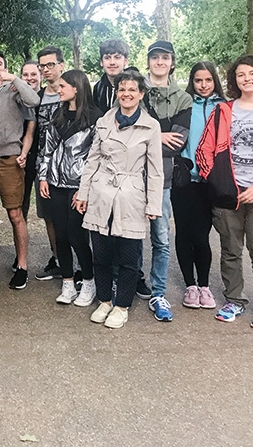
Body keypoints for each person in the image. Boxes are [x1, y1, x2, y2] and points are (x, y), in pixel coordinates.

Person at [196, 54, 253, 330]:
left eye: (251, 74)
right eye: (240, 75)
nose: (246, 79)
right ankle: (233, 300)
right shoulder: (223, 112)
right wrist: (219, 183)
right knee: (231, 251)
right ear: (234, 80)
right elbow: (204, 151)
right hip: (227, 195)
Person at [76, 70, 163, 329]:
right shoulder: (104, 121)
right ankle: (104, 300)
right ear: (117, 93)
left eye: (132, 90)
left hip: (131, 194)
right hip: (102, 192)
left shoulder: (151, 126)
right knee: (100, 253)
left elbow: (155, 170)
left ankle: (122, 305)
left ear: (141, 94)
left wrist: (153, 204)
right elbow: (92, 160)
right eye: (122, 89)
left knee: (128, 256)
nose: (126, 94)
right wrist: (84, 193)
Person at [38, 70, 100, 306]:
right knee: (61, 236)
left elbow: (96, 157)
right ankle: (67, 281)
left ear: (77, 87)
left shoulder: (95, 118)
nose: (59, 89)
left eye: (63, 86)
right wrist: (44, 177)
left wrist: (85, 189)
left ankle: (88, 281)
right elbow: (47, 149)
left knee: (77, 236)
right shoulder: (58, 114)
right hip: (55, 184)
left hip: (79, 188)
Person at [0, 51, 40, 290]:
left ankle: (23, 266)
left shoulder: (14, 91)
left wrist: (13, 78)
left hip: (9, 159)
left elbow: (34, 101)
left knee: (15, 214)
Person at [144, 40, 192, 322]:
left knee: (160, 238)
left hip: (162, 178)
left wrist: (148, 134)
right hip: (131, 176)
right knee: (130, 235)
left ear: (171, 62)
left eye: (165, 58)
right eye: (155, 57)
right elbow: (125, 135)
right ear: (149, 61)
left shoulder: (182, 99)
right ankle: (131, 281)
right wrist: (158, 134)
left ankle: (158, 292)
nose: (160, 62)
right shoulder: (133, 88)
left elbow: (176, 142)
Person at [173, 62, 225, 309]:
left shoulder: (224, 108)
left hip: (211, 181)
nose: (203, 85)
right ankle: (190, 286)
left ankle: (204, 285)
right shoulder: (185, 105)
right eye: (198, 81)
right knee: (183, 233)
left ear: (214, 81)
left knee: (202, 236)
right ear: (191, 82)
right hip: (185, 179)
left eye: (207, 80)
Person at [33, 46, 65, 281]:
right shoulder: (39, 97)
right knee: (50, 216)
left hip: (72, 168)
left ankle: (80, 261)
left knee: (75, 217)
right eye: (42, 65)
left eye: (50, 64)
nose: (46, 69)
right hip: (43, 166)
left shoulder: (74, 93)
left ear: (61, 65)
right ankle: (58, 259)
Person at [19, 61, 41, 225]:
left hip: (44, 158)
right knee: (20, 205)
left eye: (33, 74)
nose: (29, 78)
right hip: (23, 156)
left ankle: (57, 251)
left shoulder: (49, 96)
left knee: (49, 210)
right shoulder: (16, 98)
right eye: (25, 75)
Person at [92, 39, 130, 114]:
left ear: (125, 61)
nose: (112, 62)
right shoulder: (98, 88)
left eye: (117, 57)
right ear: (101, 62)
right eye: (107, 58)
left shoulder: (135, 87)